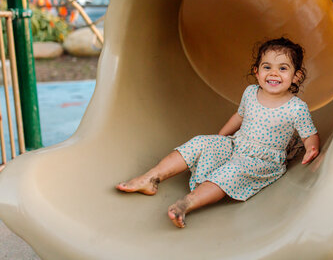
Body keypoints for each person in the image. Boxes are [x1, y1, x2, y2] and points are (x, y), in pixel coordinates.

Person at [116, 37, 320, 228]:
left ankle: (187, 203)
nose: (274, 73)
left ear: (296, 76)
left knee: (230, 171)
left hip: (261, 160)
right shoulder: (251, 92)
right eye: (267, 67)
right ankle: (151, 178)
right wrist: (219, 138)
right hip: (237, 144)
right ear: (257, 72)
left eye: (283, 68)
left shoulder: (296, 108)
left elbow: (309, 134)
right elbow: (239, 117)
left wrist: (312, 147)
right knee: (200, 142)